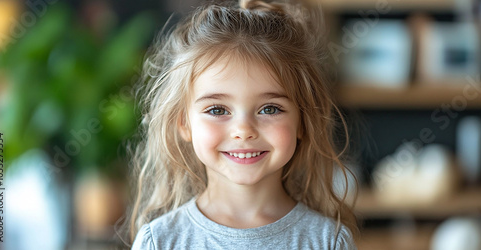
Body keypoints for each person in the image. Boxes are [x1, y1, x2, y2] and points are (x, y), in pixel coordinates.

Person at [127, 0, 358, 249]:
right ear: (184, 123)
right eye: (217, 110)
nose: (243, 130)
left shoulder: (328, 241)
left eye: (269, 109)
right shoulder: (159, 241)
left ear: (302, 120)